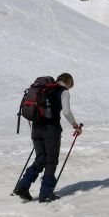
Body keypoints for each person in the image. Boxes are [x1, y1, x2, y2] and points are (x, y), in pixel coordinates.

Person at [14, 73, 83, 202]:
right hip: (51, 130)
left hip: (36, 128)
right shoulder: (63, 92)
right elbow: (67, 112)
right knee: (51, 161)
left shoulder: (44, 89)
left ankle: (22, 186)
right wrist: (75, 126)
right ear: (68, 82)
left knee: (41, 159)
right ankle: (46, 194)